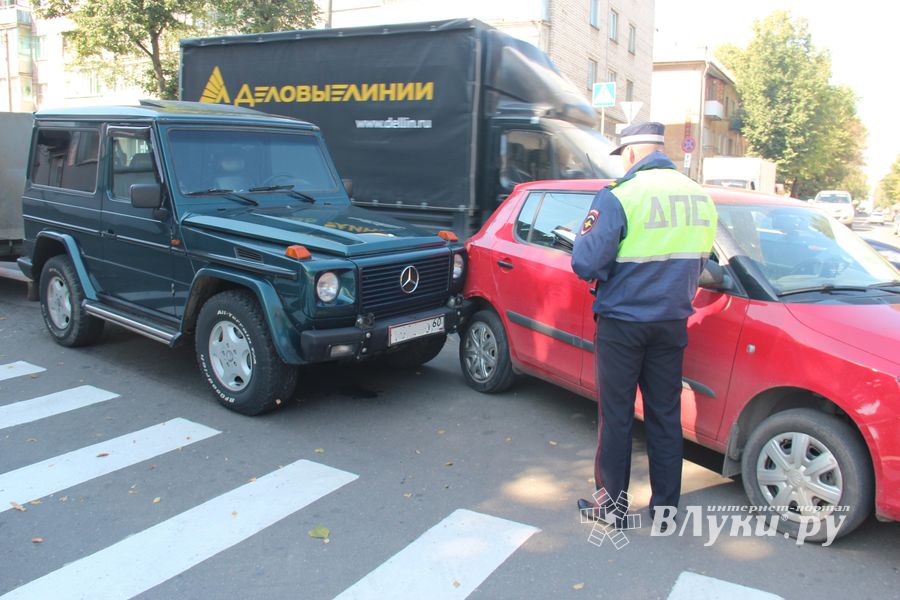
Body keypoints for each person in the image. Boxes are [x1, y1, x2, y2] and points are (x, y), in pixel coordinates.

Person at [571, 122, 717, 527]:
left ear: (632, 154)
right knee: (665, 417)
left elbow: (585, 263)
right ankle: (666, 511)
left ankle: (611, 508)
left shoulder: (620, 196)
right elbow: (700, 261)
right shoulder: (699, 197)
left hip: (623, 323)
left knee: (616, 418)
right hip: (671, 323)